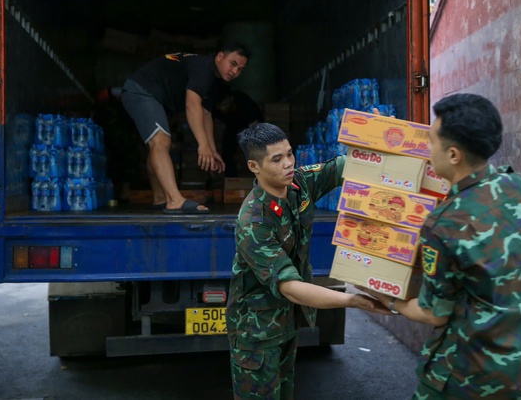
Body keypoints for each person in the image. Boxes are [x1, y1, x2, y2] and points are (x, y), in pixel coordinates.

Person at [359, 93, 521, 399]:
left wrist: (389, 301)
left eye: (431, 141)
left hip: (472, 378)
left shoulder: (443, 224)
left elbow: (433, 314)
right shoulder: (519, 188)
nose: (427, 147)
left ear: (453, 155)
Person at [226, 122, 391, 399]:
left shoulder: (298, 184)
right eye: (277, 159)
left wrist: (377, 139)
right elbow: (289, 285)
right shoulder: (254, 222)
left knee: (287, 391)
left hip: (287, 320)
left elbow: (342, 167)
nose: (289, 163)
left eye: (289, 154)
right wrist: (351, 301)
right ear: (254, 166)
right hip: (257, 332)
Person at [120, 42, 251, 214]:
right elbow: (192, 105)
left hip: (151, 96)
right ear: (220, 57)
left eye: (240, 69)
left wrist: (211, 150)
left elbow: (205, 114)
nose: (235, 72)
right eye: (233, 64)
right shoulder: (203, 68)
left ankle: (160, 198)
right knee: (161, 142)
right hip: (142, 91)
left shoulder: (213, 81)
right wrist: (202, 145)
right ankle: (174, 200)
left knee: (157, 145)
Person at [212, 88, 264, 177]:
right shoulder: (216, 108)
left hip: (251, 126)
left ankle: (259, 177)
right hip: (232, 126)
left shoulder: (244, 103)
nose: (222, 108)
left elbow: (254, 126)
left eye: (225, 105)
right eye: (219, 106)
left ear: (231, 99)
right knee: (227, 152)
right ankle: (231, 179)